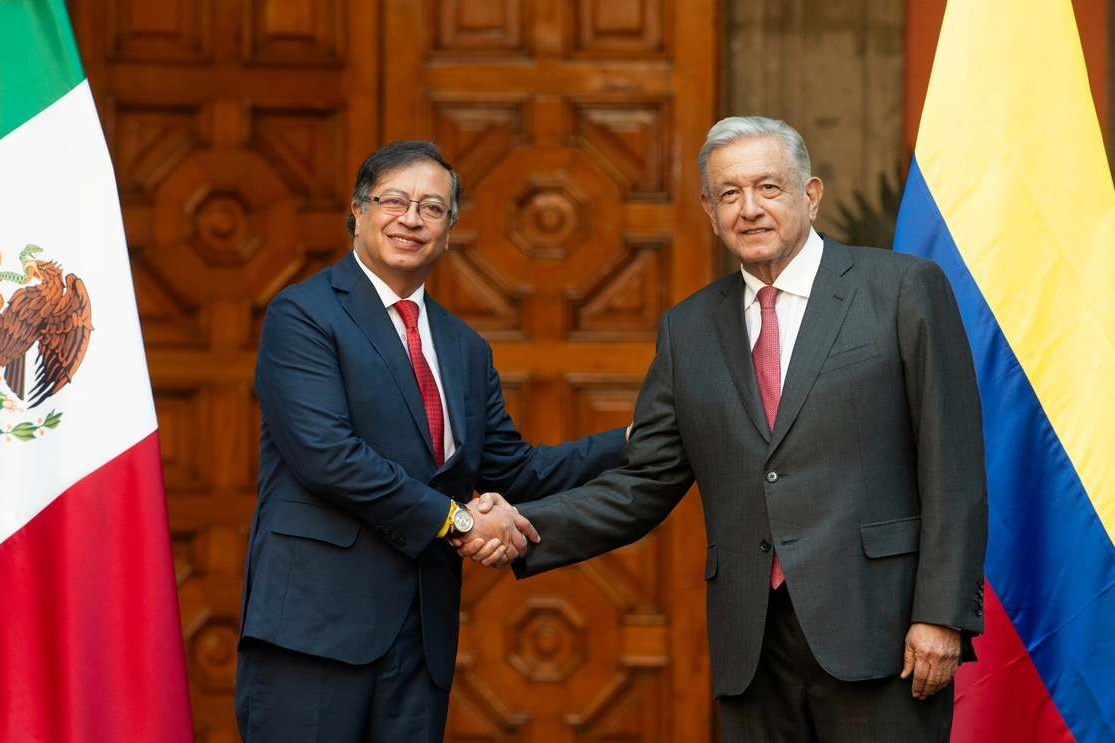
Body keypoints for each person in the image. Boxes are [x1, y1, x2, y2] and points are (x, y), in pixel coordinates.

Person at [462, 116, 988, 741]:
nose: (750, 209)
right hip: (752, 643)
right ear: (709, 212)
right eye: (730, 194)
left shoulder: (902, 289)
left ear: (810, 194)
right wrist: (522, 529)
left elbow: (952, 466)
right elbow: (644, 482)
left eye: (768, 187)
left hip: (883, 630)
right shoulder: (687, 331)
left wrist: (941, 615)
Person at [236, 139, 628, 743]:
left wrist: (633, 439)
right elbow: (327, 457)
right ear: (358, 211)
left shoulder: (465, 347)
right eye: (394, 200)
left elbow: (515, 471)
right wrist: (462, 524)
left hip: (420, 637)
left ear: (449, 229)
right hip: (313, 630)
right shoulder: (304, 315)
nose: (412, 218)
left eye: (433, 207)